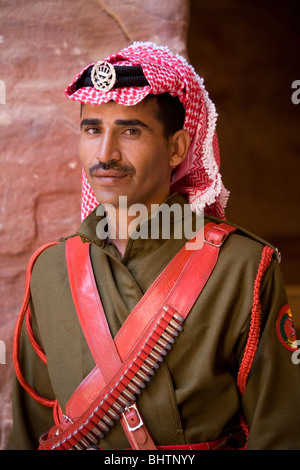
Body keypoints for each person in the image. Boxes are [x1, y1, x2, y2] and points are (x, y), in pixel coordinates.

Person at [7, 42, 300, 451]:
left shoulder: (243, 268)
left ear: (177, 147)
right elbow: (31, 429)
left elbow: (281, 432)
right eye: (92, 129)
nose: (105, 154)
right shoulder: (52, 269)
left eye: (130, 130)